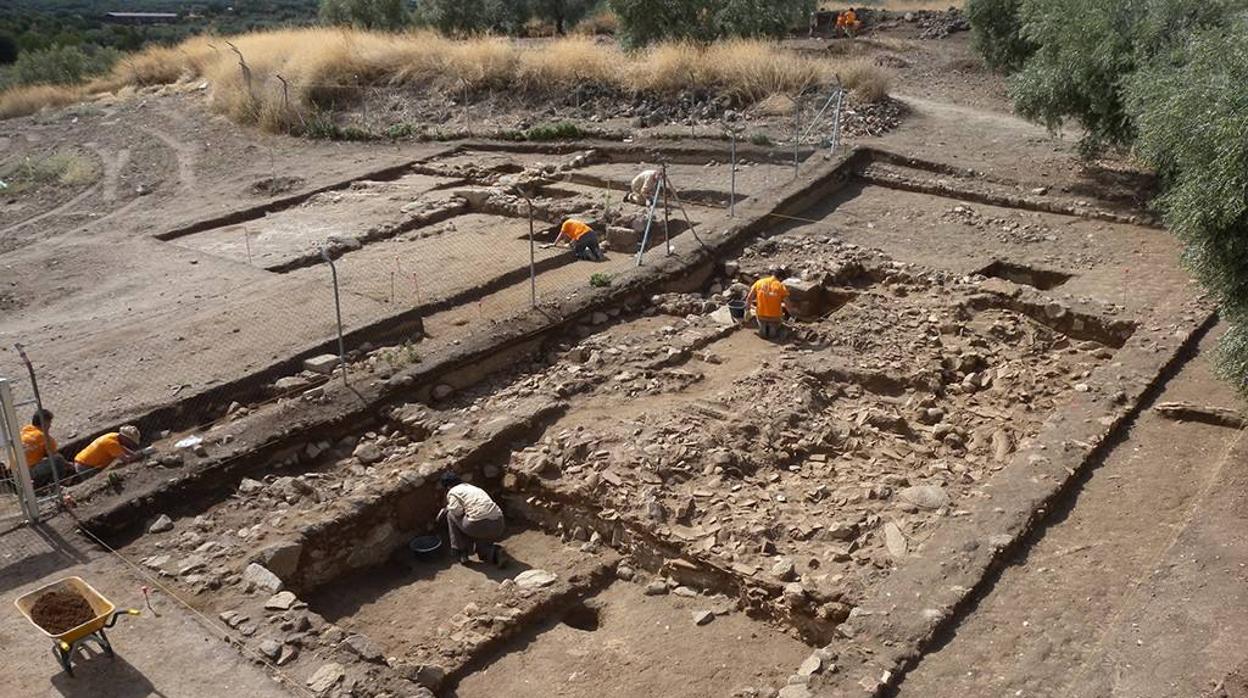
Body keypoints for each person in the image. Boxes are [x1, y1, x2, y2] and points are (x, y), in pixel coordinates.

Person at [436, 472, 506, 567]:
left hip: (478, 525)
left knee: (450, 514)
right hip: (499, 523)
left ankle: (461, 551)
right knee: (481, 550)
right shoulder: (473, 488)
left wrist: (446, 508)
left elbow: (456, 512)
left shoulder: (453, 492)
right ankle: (495, 553)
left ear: (447, 486)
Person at [73, 425, 143, 479]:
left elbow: (121, 448)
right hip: (86, 466)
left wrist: (134, 454)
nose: (131, 444)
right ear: (126, 438)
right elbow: (126, 459)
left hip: (84, 462)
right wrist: (141, 454)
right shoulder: (111, 443)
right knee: (96, 482)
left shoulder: (114, 435)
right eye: (131, 442)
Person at [21, 409, 67, 488]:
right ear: (45, 422)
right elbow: (54, 455)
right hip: (29, 473)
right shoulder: (44, 437)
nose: (50, 425)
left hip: (16, 472)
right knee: (58, 460)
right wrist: (68, 465)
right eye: (49, 422)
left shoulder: (26, 430)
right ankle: (59, 485)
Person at [745, 267, 791, 339]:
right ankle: (773, 329)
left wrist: (747, 310)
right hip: (775, 317)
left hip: (761, 315)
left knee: (762, 325)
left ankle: (763, 327)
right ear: (781, 278)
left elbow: (749, 298)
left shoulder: (759, 282)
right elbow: (787, 303)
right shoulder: (781, 286)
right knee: (773, 332)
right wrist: (790, 314)